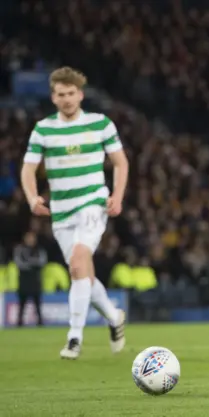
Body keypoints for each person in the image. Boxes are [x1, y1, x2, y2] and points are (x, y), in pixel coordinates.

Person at [20, 66, 127, 359]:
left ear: (80, 94)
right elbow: (28, 169)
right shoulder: (43, 129)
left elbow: (120, 162)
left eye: (71, 93)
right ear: (53, 98)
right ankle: (113, 316)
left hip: (93, 203)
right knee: (81, 273)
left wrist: (116, 195)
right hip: (62, 211)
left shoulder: (100, 124)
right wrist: (32, 198)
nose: (66, 99)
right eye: (60, 94)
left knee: (79, 262)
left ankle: (74, 338)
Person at [14, 231, 47, 326]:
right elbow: (19, 263)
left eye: (32, 238)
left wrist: (29, 262)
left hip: (35, 281)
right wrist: (32, 264)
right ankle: (19, 323)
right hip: (24, 281)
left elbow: (42, 262)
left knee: (37, 304)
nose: (30, 240)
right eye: (28, 237)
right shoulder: (19, 249)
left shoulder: (39, 250)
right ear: (25, 238)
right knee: (22, 304)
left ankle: (40, 323)